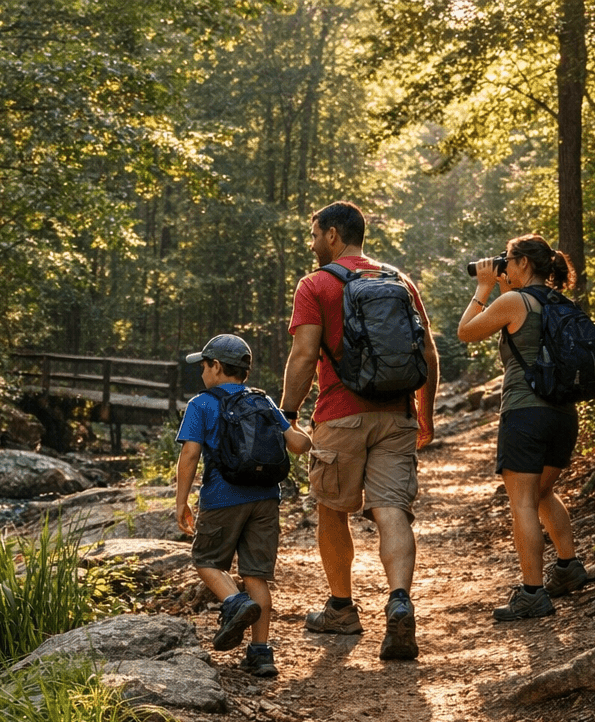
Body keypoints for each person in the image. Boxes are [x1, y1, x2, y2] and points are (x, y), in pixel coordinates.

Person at [280, 201, 439, 660]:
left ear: (333, 234)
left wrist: (286, 413)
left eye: (314, 235)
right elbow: (426, 352)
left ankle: (342, 609)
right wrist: (424, 414)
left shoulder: (316, 284)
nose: (312, 245)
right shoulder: (399, 281)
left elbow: (305, 355)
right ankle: (400, 600)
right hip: (397, 415)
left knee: (331, 507)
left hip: (339, 415)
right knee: (391, 509)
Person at [455, 233, 588, 620]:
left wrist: (483, 288)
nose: (503, 267)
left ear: (524, 264)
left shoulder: (514, 301)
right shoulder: (563, 302)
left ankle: (532, 593)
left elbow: (466, 331)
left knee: (523, 502)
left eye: (508, 260)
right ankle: (568, 567)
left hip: (525, 413)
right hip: (563, 415)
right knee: (543, 492)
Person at [175, 334, 311, 678]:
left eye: (204, 366)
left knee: (205, 560)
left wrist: (181, 502)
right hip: (266, 499)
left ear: (217, 367)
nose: (202, 373)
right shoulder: (263, 401)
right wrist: (305, 430)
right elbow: (297, 444)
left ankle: (235, 603)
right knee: (256, 575)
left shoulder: (201, 404)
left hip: (223, 497)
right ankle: (261, 654)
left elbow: (190, 455)